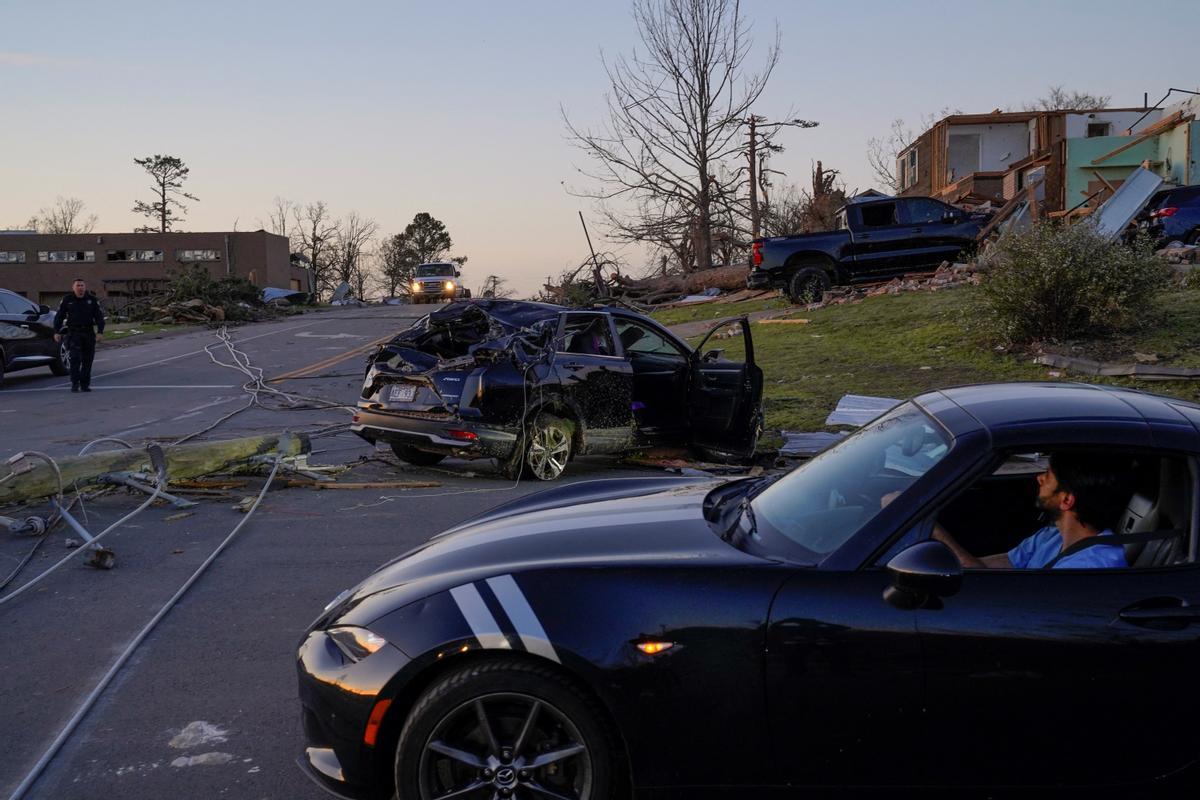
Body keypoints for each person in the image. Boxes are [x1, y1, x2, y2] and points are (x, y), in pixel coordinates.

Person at [932, 453, 1130, 570]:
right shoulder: (1053, 535)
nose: (1039, 479)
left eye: (1048, 475)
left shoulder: (1088, 566)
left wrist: (938, 534)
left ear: (1067, 500)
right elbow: (993, 566)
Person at [53, 278, 105, 392]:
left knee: (88, 359)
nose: (80, 288)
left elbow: (99, 317)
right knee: (75, 359)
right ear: (73, 287)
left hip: (88, 332)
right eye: (78, 285)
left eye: (82, 285)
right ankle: (75, 383)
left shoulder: (92, 300)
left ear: (85, 287)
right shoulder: (67, 300)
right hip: (73, 333)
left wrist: (100, 332)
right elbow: (59, 316)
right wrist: (57, 331)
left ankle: (85, 384)